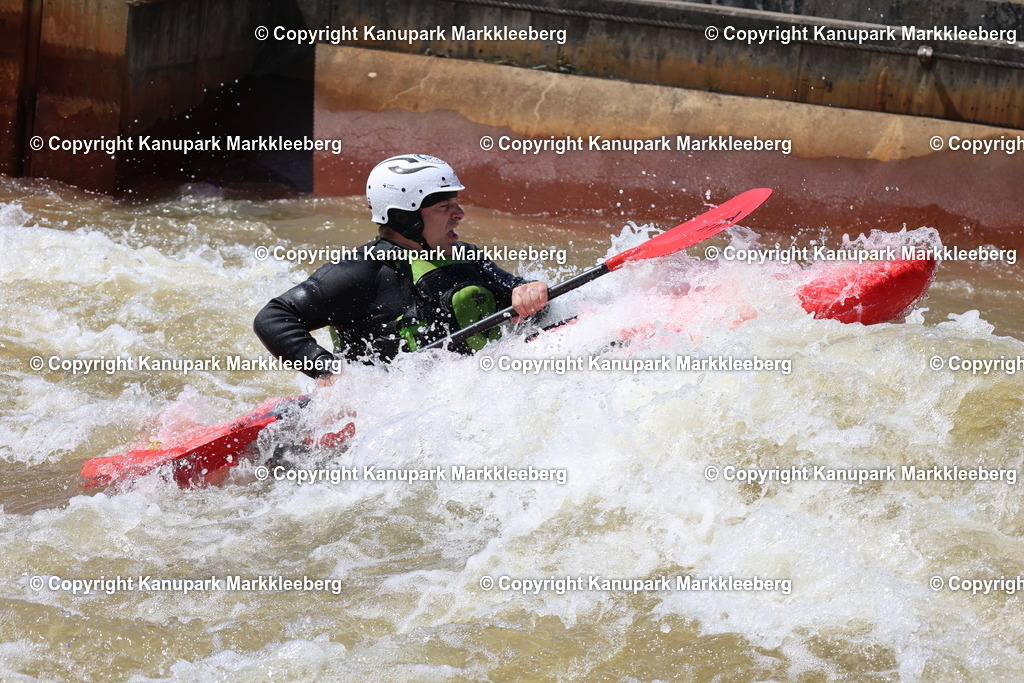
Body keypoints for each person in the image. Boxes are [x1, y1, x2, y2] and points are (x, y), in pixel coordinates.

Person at [254, 154, 549, 387]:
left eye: (456, 204)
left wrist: (530, 291)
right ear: (404, 217)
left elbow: (517, 292)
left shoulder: (465, 255)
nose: (459, 214)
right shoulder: (363, 269)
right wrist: (326, 370)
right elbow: (273, 317)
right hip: (387, 408)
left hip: (465, 391)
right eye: (444, 207)